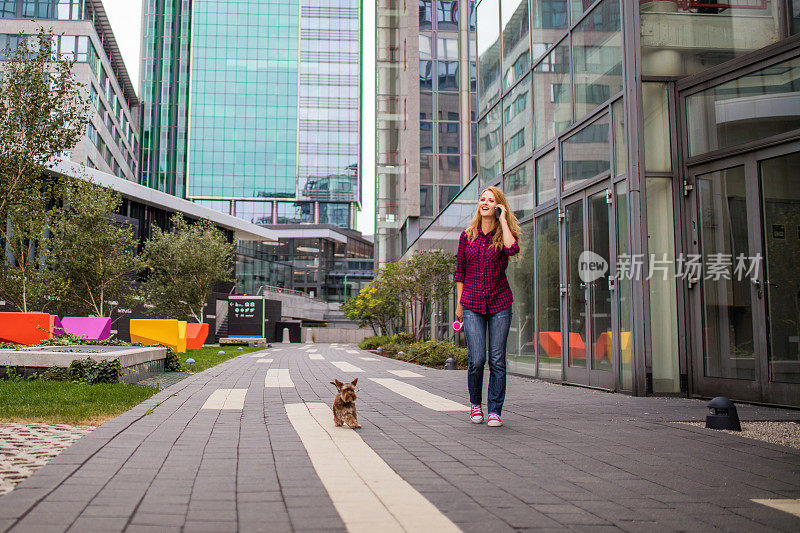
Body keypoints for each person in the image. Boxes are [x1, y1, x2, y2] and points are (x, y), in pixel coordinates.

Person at [454, 186, 520, 427]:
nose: (485, 203)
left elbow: (513, 250)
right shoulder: (466, 236)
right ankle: (475, 403)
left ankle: (495, 410)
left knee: (497, 359)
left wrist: (503, 220)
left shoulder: (504, 235)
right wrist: (460, 305)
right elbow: (459, 273)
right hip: (471, 304)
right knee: (477, 359)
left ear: (498, 205)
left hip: (500, 303)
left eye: (491, 200)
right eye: (482, 199)